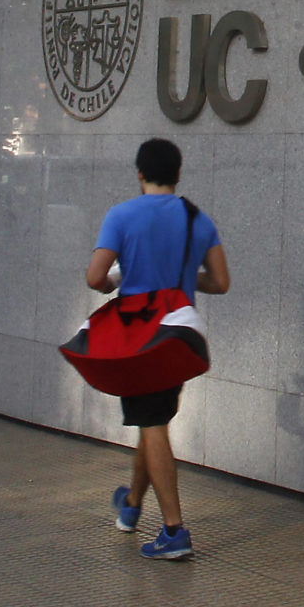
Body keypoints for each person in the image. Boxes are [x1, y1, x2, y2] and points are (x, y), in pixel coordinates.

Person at [85, 137, 228, 562]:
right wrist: (180, 277)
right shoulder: (198, 219)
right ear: (178, 174)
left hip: (137, 336)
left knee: (152, 425)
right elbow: (220, 282)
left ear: (139, 173)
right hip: (177, 334)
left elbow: (95, 277)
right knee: (152, 420)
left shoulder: (122, 215)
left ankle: (174, 531)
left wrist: (117, 278)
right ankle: (131, 505)